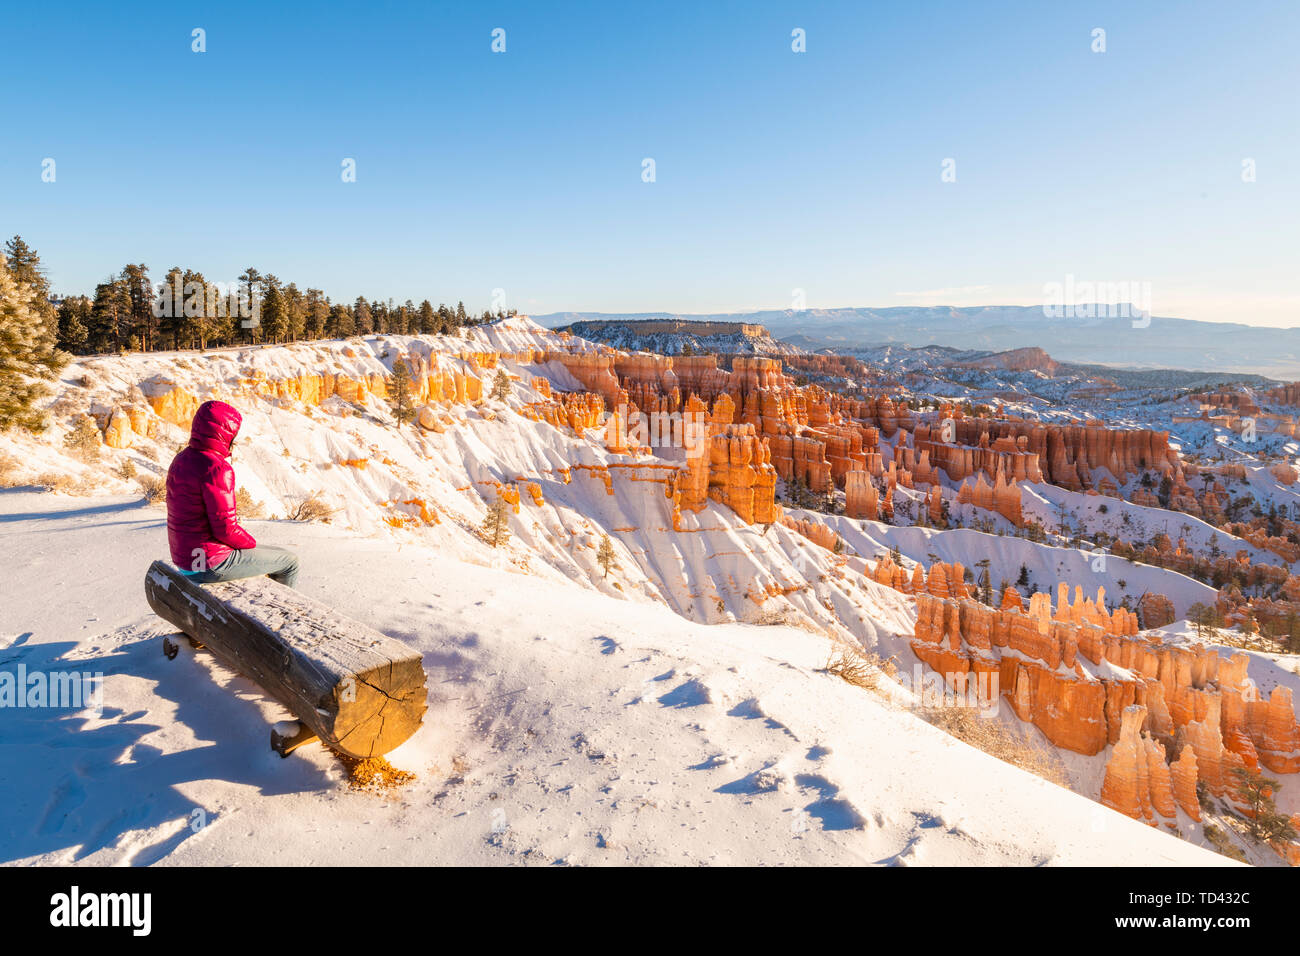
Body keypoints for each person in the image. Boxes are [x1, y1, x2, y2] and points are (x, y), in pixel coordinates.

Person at [165, 399, 299, 588]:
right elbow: (225, 529)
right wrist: (251, 543)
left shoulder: (181, 459)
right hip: (208, 564)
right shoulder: (216, 469)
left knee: (268, 555)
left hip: (186, 561)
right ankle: (281, 614)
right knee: (289, 562)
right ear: (225, 435)